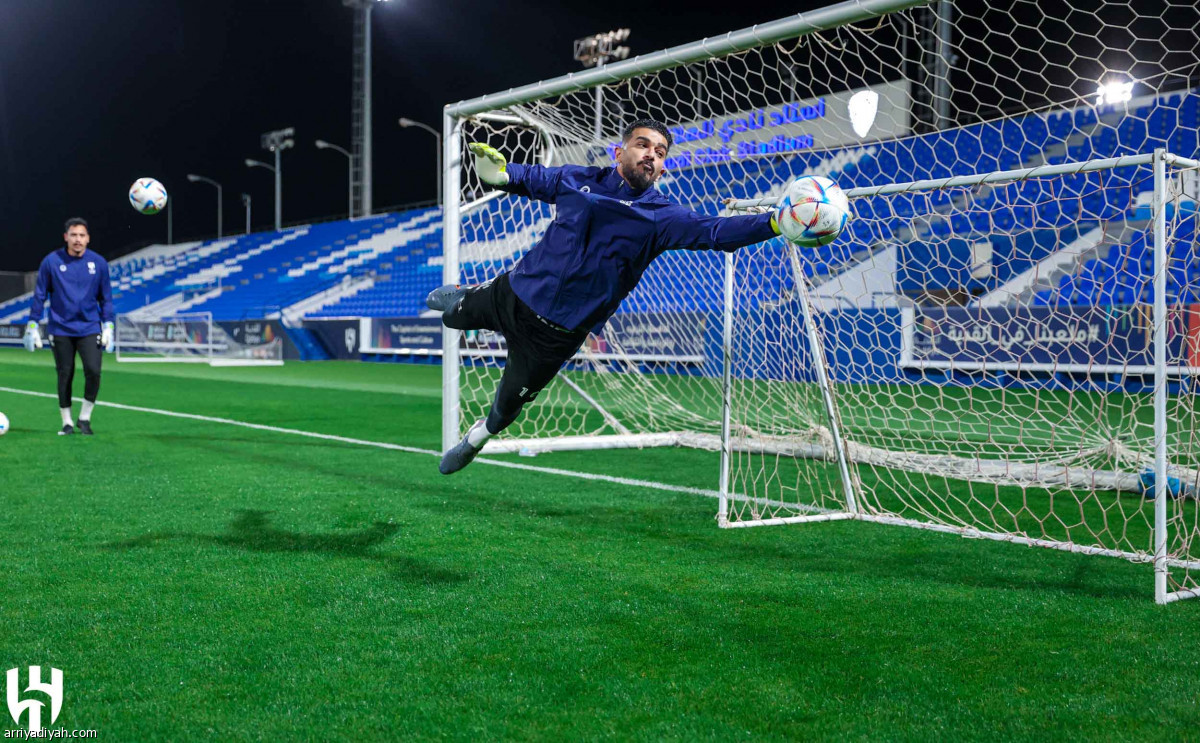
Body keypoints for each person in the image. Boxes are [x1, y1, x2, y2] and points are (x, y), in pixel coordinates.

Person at [426, 119, 782, 474]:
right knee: (450, 315)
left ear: (662, 169)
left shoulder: (660, 217)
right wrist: (502, 175)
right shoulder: (577, 179)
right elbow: (532, 177)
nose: (651, 155)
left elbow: (716, 232)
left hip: (553, 337)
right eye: (643, 145)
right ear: (618, 152)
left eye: (660, 153)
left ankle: (477, 438)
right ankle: (466, 294)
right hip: (513, 293)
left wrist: (774, 223)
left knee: (504, 410)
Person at [24, 218, 115, 435]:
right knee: (65, 374)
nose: (78, 239)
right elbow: (40, 294)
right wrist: (32, 324)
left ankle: (85, 418)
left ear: (88, 238)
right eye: (73, 235)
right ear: (66, 237)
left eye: (82, 235)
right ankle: (66, 422)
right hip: (60, 328)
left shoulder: (99, 263)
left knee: (93, 371)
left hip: (90, 327)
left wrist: (108, 325)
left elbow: (106, 298)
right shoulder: (51, 261)